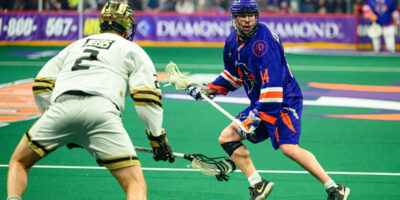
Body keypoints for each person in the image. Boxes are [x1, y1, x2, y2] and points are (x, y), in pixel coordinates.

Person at [6, 1, 175, 200]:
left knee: (19, 162)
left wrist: (62, 124)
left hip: (61, 109)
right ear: (128, 26)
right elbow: (147, 98)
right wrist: (157, 137)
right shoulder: (133, 50)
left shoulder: (75, 45)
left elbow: (41, 86)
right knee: (134, 183)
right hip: (102, 112)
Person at [186, 0, 350, 199]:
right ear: (233, 18)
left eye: (251, 15)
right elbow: (235, 76)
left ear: (257, 16)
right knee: (227, 138)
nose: (247, 20)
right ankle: (258, 184)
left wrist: (255, 117)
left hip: (283, 101)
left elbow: (273, 88)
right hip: (262, 102)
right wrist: (208, 88)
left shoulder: (264, 44)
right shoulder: (232, 42)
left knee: (289, 148)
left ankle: (335, 188)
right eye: (242, 16)